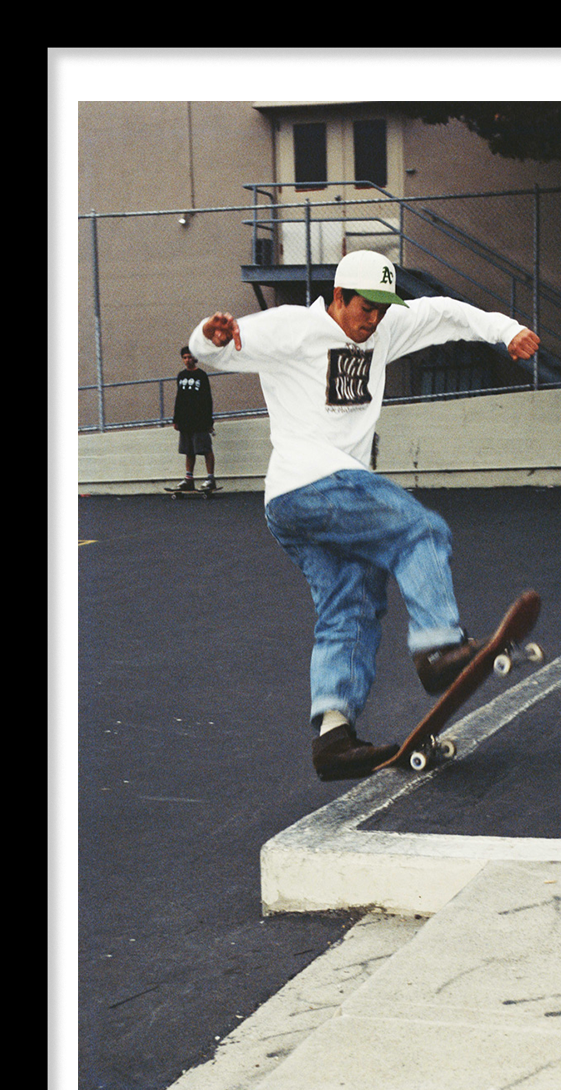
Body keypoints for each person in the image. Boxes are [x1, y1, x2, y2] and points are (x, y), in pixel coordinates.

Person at [188, 250, 540, 780]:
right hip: (312, 482)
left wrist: (505, 330)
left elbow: (447, 313)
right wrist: (207, 337)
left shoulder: (385, 328)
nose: (372, 321)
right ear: (338, 297)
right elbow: (219, 350)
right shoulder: (293, 327)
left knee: (350, 606)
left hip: (296, 507)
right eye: (364, 308)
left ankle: (333, 736)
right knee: (419, 529)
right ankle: (438, 648)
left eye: (381, 309)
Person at [169, 346, 218, 493]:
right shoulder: (181, 376)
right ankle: (189, 479)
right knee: (188, 450)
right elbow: (179, 398)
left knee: (205, 449)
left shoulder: (201, 375)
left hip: (200, 420)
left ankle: (210, 479)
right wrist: (176, 419)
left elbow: (207, 398)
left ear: (195, 358)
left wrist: (209, 421)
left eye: (190, 357)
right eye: (184, 357)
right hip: (185, 420)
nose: (187, 360)